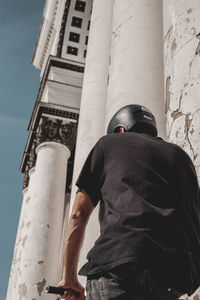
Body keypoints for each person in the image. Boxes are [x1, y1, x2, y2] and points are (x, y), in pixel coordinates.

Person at [57, 104, 200, 300]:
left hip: (120, 264)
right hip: (172, 276)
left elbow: (78, 215)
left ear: (120, 130)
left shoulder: (109, 144)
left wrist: (69, 277)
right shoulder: (181, 158)